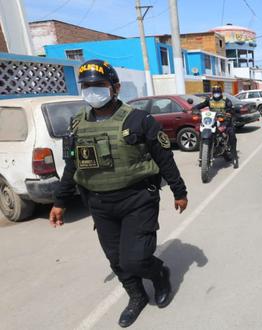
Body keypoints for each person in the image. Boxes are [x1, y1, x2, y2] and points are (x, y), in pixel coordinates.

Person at [49, 59, 189, 327]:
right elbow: (72, 165)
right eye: (87, 86)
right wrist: (60, 201)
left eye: (99, 85)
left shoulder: (139, 120)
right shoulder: (77, 124)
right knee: (116, 259)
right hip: (99, 203)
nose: (92, 91)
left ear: (115, 88)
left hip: (137, 199)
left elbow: (164, 158)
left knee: (136, 258)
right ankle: (136, 296)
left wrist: (178, 191)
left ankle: (159, 274)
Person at [194, 86, 238, 166]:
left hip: (224, 121)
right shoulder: (209, 100)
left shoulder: (226, 100)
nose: (216, 94)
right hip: (212, 120)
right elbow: (200, 105)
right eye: (215, 92)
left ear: (221, 92)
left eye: (218, 92)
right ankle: (202, 155)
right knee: (201, 130)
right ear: (212, 93)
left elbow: (231, 110)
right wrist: (195, 109)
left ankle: (235, 157)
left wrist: (229, 113)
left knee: (231, 134)